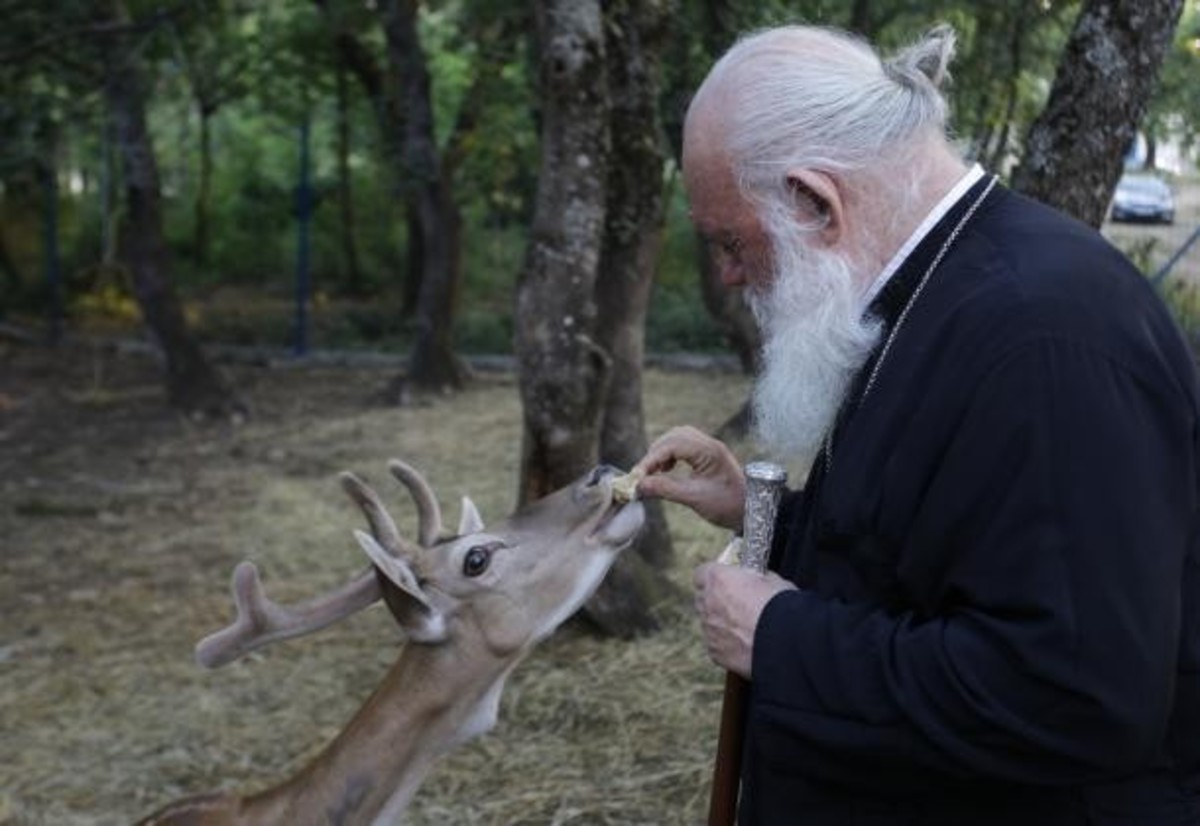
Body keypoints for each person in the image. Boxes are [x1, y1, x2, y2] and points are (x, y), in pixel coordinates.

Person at [631, 22, 1200, 826]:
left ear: (813, 198)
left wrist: (782, 639)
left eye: (729, 239)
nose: (726, 274)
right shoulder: (926, 291)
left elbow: (1076, 694)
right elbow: (930, 555)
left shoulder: (1043, 334)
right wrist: (768, 517)